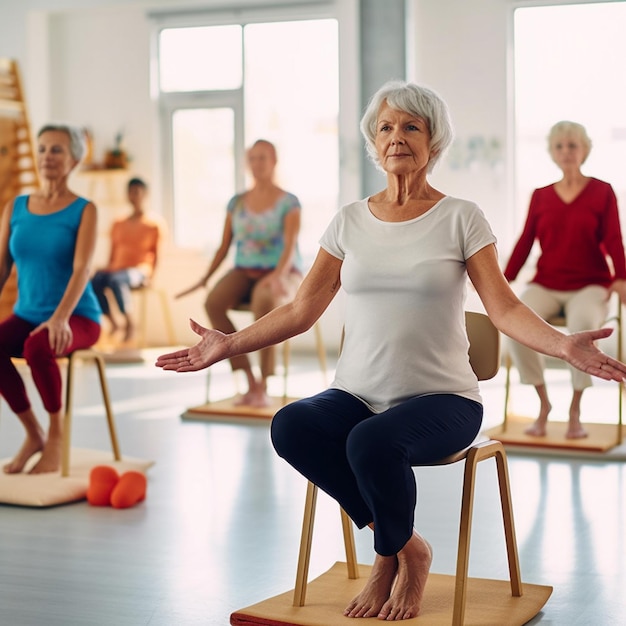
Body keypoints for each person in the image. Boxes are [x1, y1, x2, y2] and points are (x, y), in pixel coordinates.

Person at [155, 81, 626, 621]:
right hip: (357, 392)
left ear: (434, 141)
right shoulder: (350, 221)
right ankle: (406, 546)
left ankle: (388, 560)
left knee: (370, 442)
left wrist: (565, 345)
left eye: (411, 126)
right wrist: (228, 343)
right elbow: (300, 309)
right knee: (291, 426)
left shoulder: (461, 217)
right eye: (385, 127)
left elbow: (505, 309)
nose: (396, 137)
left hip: (444, 399)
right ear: (372, 143)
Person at [504, 121, 626, 439]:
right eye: (560, 146)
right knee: (516, 327)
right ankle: (544, 403)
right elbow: (525, 240)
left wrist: (622, 277)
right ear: (552, 153)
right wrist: (503, 280)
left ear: (584, 149)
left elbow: (614, 239)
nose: (566, 152)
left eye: (572, 145)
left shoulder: (602, 191)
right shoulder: (541, 196)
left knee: (582, 326)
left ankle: (575, 408)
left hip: (590, 283)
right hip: (547, 281)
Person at [0, 124, 101, 474]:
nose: (47, 157)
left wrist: (59, 318)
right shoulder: (16, 207)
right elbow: (1, 266)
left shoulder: (84, 210)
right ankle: (34, 434)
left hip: (78, 316)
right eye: (42, 149)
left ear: (74, 158)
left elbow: (82, 269)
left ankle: (56, 438)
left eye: (56, 150)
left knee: (37, 346)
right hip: (28, 313)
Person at [175, 139, 303, 408]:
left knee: (264, 302)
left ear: (274, 161)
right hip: (244, 269)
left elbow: (290, 244)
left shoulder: (289, 202)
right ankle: (249, 379)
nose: (257, 164)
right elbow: (224, 246)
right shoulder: (237, 203)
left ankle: (265, 384)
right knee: (213, 302)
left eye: (263, 158)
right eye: (253, 159)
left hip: (281, 270)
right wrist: (205, 278)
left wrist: (278, 275)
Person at [91, 177, 164, 343]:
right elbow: (113, 251)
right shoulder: (118, 223)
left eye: (138, 192)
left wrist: (151, 278)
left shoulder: (154, 224)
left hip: (139, 271)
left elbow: (157, 254)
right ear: (128, 195)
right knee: (95, 280)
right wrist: (106, 268)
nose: (135, 195)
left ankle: (130, 324)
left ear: (145, 194)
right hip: (117, 268)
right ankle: (114, 322)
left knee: (117, 280)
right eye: (132, 192)